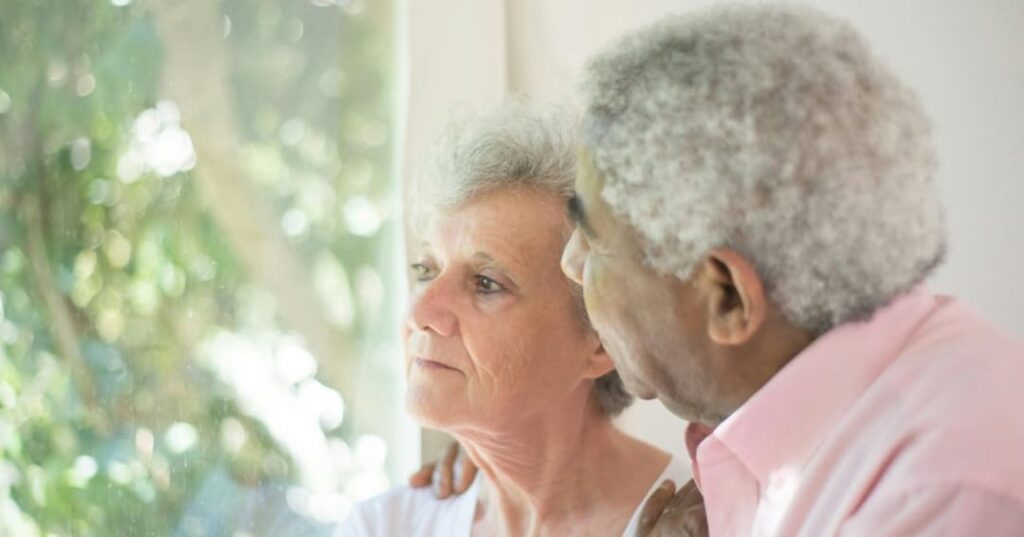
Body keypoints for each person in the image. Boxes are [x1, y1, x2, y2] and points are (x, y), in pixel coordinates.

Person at [421, 4, 1024, 535]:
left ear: (728, 298)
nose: (571, 265)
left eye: (596, 242)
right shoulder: (807, 447)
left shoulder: (941, 490)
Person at [336, 102, 690, 537]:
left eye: (486, 283)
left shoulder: (711, 520)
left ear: (602, 341)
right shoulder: (385, 526)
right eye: (426, 270)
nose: (420, 312)